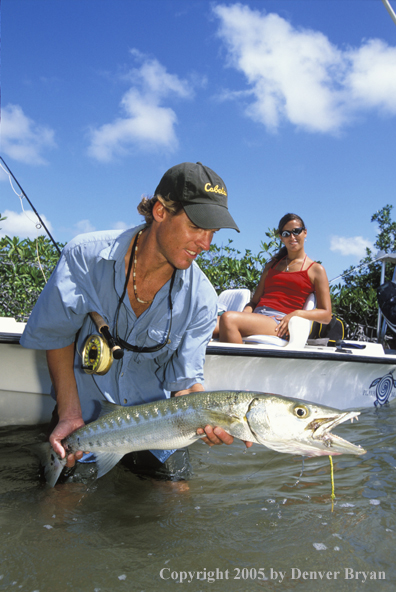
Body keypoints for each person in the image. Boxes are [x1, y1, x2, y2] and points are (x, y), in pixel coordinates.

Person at [21, 161, 250, 481]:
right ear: (160, 211)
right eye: (197, 226)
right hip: (85, 416)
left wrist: (209, 418)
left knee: (176, 498)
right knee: (61, 506)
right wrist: (70, 413)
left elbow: (184, 382)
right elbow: (58, 335)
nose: (206, 244)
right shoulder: (84, 257)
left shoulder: (203, 299)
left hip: (161, 426)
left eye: (213, 232)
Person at [218, 213, 332, 343]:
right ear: (281, 237)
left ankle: (236, 363)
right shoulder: (271, 266)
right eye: (286, 234)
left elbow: (326, 315)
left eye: (296, 231)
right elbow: (254, 302)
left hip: (280, 323)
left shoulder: (316, 270)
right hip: (258, 317)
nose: (292, 237)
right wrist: (245, 314)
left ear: (305, 233)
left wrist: (297, 314)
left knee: (228, 319)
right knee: (205, 324)